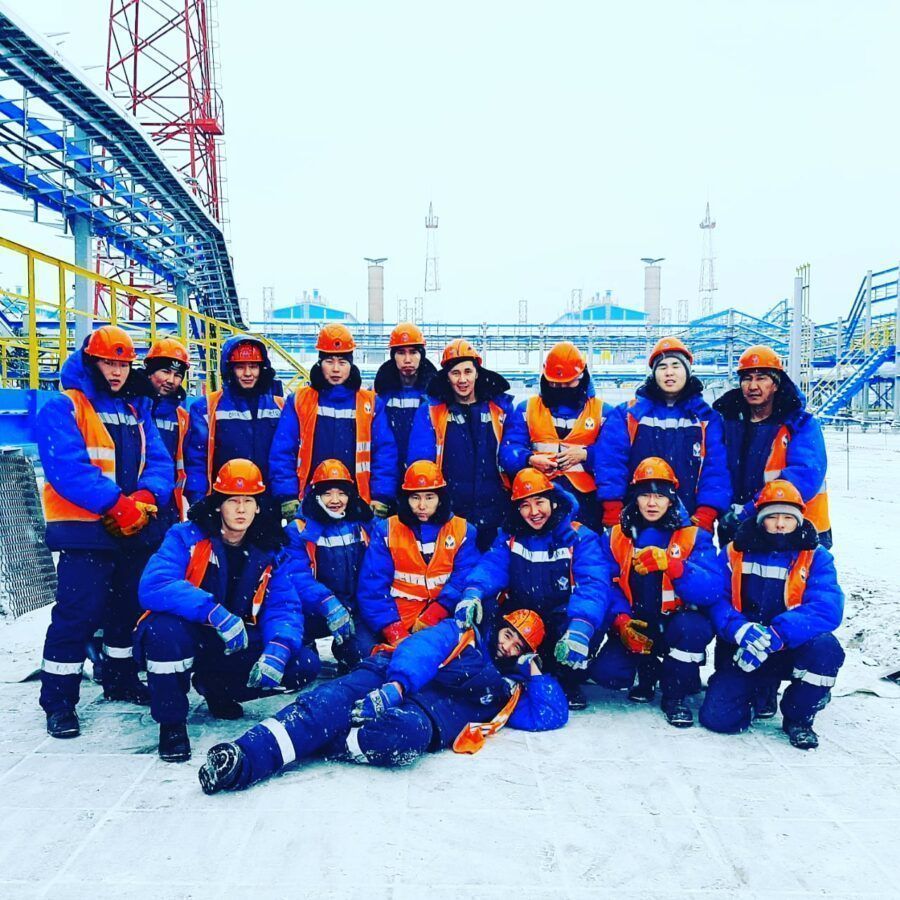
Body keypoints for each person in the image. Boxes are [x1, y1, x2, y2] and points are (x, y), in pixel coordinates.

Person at [197, 608, 568, 793]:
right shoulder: (463, 633)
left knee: (401, 737)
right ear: (499, 626)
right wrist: (397, 686)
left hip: (425, 716)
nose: (508, 646)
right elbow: (421, 649)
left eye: (519, 646)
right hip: (389, 674)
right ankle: (242, 759)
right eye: (508, 635)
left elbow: (550, 715)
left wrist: (534, 671)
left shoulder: (509, 690)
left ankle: (329, 741)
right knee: (329, 702)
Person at [135, 459, 320, 762]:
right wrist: (213, 612)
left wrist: (279, 648)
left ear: (258, 507)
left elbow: (284, 606)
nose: (241, 509)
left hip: (235, 641)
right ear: (219, 504)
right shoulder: (185, 536)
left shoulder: (270, 548)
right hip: (189, 634)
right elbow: (155, 584)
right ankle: (171, 724)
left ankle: (218, 688)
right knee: (162, 631)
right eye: (233, 501)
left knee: (302, 663)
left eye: (249, 501)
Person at [38, 325, 173, 738]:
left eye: (123, 365)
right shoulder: (64, 406)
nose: (116, 372)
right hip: (85, 533)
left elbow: (160, 462)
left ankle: (120, 678)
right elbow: (68, 469)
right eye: (108, 363)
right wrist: (117, 504)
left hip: (133, 530)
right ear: (90, 362)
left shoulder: (137, 409)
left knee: (126, 611)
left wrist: (145, 498)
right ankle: (59, 701)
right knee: (77, 614)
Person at [587, 457, 741, 727]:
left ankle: (675, 696)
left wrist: (675, 567)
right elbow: (606, 585)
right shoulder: (615, 536)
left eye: (659, 496)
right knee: (607, 674)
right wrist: (621, 621)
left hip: (677, 623)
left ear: (671, 500)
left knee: (694, 628)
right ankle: (647, 670)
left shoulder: (694, 536)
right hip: (637, 621)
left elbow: (712, 590)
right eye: (645, 495)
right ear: (634, 498)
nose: (652, 503)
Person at [699, 480, 845, 750]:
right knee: (719, 719)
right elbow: (715, 598)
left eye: (788, 518)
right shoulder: (734, 552)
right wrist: (739, 629)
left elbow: (828, 606)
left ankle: (800, 715)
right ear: (760, 520)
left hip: (791, 647)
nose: (780, 524)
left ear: (798, 520)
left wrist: (780, 633)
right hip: (746, 649)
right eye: (772, 517)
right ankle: (758, 691)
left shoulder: (816, 556)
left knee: (826, 649)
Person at [456, 467, 616, 710]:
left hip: (561, 617)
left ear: (553, 502)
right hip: (523, 618)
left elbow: (594, 584)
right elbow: (491, 566)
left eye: (539, 502)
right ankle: (500, 672)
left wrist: (580, 628)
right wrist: (472, 594)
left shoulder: (579, 537)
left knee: (587, 625)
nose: (534, 512)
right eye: (525, 505)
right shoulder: (510, 535)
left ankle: (568, 680)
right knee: (485, 608)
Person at [595, 336, 730, 533]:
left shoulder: (706, 419)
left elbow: (716, 469)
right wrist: (613, 507)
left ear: (687, 371)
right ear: (654, 374)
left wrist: (706, 513)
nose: (669, 372)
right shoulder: (628, 415)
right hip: (635, 519)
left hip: (688, 520)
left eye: (676, 366)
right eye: (662, 367)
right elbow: (610, 462)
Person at [269, 323, 398, 521]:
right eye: (329, 361)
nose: (336, 369)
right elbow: (283, 451)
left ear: (351, 365)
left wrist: (381, 496)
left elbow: (384, 453)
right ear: (320, 363)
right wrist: (287, 495)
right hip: (309, 501)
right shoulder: (299, 401)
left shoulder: (371, 403)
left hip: (358, 503)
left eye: (342, 362)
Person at [714, 345, 831, 548]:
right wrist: (725, 512)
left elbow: (805, 476)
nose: (753, 386)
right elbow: (715, 471)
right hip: (740, 529)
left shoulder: (800, 424)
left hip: (794, 529)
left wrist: (749, 510)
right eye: (747, 379)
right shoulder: (728, 423)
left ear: (776, 384)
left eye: (761, 378)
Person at [356, 460, 481, 647]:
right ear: (406, 499)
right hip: (394, 617)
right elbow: (372, 587)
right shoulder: (386, 530)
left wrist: (435, 613)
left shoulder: (463, 530)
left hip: (443, 617)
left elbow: (464, 578)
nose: (422, 506)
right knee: (361, 648)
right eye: (415, 498)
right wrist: (394, 631)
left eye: (429, 497)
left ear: (440, 499)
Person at [407, 338, 514, 551]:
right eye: (455, 373)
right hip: (451, 510)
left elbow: (512, 452)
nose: (462, 379)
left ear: (477, 373)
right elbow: (420, 461)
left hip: (496, 510)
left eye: (468, 372)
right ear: (447, 377)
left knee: (493, 565)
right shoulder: (431, 412)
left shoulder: (500, 409)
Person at [501, 341, 609, 531]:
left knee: (584, 544)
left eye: (569, 383)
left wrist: (586, 455)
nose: (562, 388)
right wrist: (529, 459)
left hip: (587, 500)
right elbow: (508, 450)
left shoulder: (603, 412)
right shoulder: (527, 409)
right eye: (555, 384)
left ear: (582, 378)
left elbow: (615, 455)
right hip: (538, 496)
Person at [281, 459, 374, 669]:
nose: (335, 500)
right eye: (328, 493)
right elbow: (296, 576)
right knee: (300, 662)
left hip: (351, 610)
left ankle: (345, 648)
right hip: (310, 612)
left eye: (341, 493)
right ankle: (306, 646)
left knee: (365, 655)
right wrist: (328, 603)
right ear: (316, 495)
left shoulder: (362, 524)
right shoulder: (298, 529)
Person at [184, 336, 283, 505]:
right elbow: (197, 461)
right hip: (224, 502)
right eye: (240, 367)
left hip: (268, 502)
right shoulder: (206, 407)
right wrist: (199, 501)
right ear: (229, 369)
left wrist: (286, 497)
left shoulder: (280, 407)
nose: (248, 373)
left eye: (253, 366)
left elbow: (285, 458)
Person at [133, 336, 191, 524]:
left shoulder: (182, 419)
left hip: (167, 510)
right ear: (149, 371)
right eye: (165, 371)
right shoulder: (130, 408)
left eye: (177, 375)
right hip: (130, 503)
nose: (171, 380)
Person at [374, 322, 437, 476]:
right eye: (401, 353)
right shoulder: (379, 396)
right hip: (388, 475)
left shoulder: (436, 395)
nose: (407, 359)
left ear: (421, 355)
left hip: (425, 478)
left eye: (413, 352)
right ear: (393, 356)